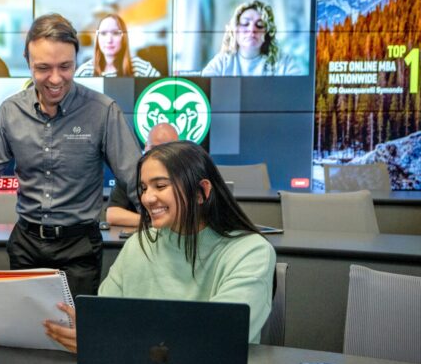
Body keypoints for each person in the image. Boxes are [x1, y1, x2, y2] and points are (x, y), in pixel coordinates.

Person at [0, 13, 141, 297]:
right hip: (26, 246)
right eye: (43, 68)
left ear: (77, 61)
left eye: (65, 66)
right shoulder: (10, 112)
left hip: (79, 249)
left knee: (73, 338)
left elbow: (137, 179)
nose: (55, 79)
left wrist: (172, 229)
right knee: (25, 336)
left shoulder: (102, 111)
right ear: (28, 65)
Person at [45, 141, 276, 351]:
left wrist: (107, 337)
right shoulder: (139, 244)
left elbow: (218, 335)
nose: (147, 198)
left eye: (160, 186)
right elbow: (106, 317)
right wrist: (89, 328)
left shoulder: (250, 251)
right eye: (144, 188)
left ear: (201, 192)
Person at [106, 122, 180, 227]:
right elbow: (112, 214)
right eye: (144, 187)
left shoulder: (189, 174)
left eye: (167, 148)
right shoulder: (130, 173)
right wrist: (153, 220)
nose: (160, 154)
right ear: (146, 146)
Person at [201, 0, 301, 77]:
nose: (252, 30)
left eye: (259, 25)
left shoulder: (282, 61)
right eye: (245, 23)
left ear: (267, 34)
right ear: (235, 30)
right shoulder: (223, 62)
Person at [75, 14, 160, 77]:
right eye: (103, 33)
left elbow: (165, 89)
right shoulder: (85, 71)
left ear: (124, 37)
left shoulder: (141, 68)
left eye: (115, 33)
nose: (109, 40)